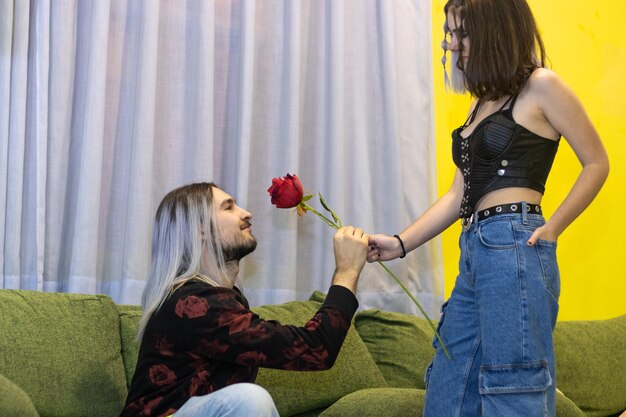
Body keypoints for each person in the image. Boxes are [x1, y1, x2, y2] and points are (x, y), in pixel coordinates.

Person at [367, 0, 609, 416]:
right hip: (475, 250)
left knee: (513, 388)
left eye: (460, 33)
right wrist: (398, 243)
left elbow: (597, 163)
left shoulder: (541, 86)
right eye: (450, 33)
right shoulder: (479, 104)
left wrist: (551, 230)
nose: (451, 44)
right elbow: (455, 196)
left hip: (515, 244)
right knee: (448, 387)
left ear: (493, 31)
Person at [120, 182, 369, 417]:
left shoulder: (223, 300)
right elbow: (315, 349)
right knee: (247, 400)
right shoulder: (192, 303)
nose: (247, 213)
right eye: (228, 207)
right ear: (200, 229)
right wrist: (347, 272)